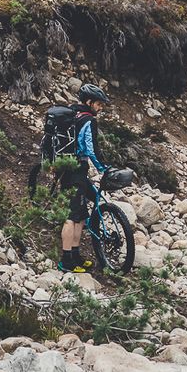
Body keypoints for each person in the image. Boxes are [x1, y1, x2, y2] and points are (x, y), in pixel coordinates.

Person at [57, 84, 110, 273]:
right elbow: (91, 148)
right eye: (98, 103)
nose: (101, 107)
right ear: (89, 102)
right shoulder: (88, 120)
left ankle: (76, 255)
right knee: (72, 216)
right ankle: (66, 261)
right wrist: (104, 168)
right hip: (76, 170)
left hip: (67, 166)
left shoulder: (72, 113)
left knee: (81, 215)